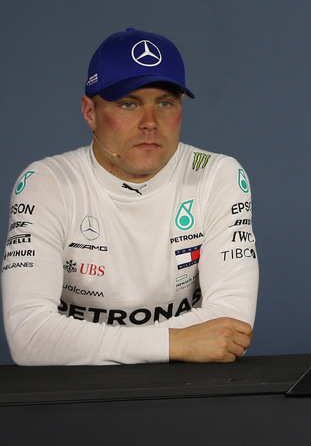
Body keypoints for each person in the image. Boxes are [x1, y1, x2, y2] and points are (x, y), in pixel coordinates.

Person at [2, 28, 258, 365]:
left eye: (164, 103)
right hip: (77, 401)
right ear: (89, 112)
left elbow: (229, 328)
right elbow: (30, 337)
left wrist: (81, 343)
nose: (149, 123)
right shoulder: (46, 183)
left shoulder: (216, 175)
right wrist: (176, 343)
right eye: (128, 103)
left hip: (184, 395)